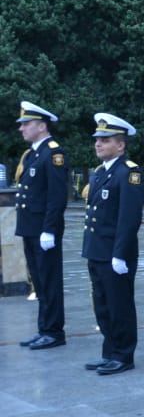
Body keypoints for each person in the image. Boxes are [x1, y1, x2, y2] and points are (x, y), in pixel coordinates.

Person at [81, 113, 144, 375]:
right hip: (97, 250)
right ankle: (109, 351)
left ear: (120, 145)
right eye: (97, 139)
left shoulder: (128, 173)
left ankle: (123, 354)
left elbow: (128, 219)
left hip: (116, 254)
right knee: (103, 304)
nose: (98, 143)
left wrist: (120, 254)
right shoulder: (99, 174)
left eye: (105, 140)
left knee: (120, 305)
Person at [14, 101, 68, 350]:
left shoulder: (53, 153)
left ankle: (54, 331)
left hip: (43, 230)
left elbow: (56, 197)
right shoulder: (35, 153)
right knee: (39, 281)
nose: (21, 128)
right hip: (31, 228)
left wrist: (49, 229)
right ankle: (44, 328)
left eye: (26, 124)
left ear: (42, 126)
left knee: (49, 281)